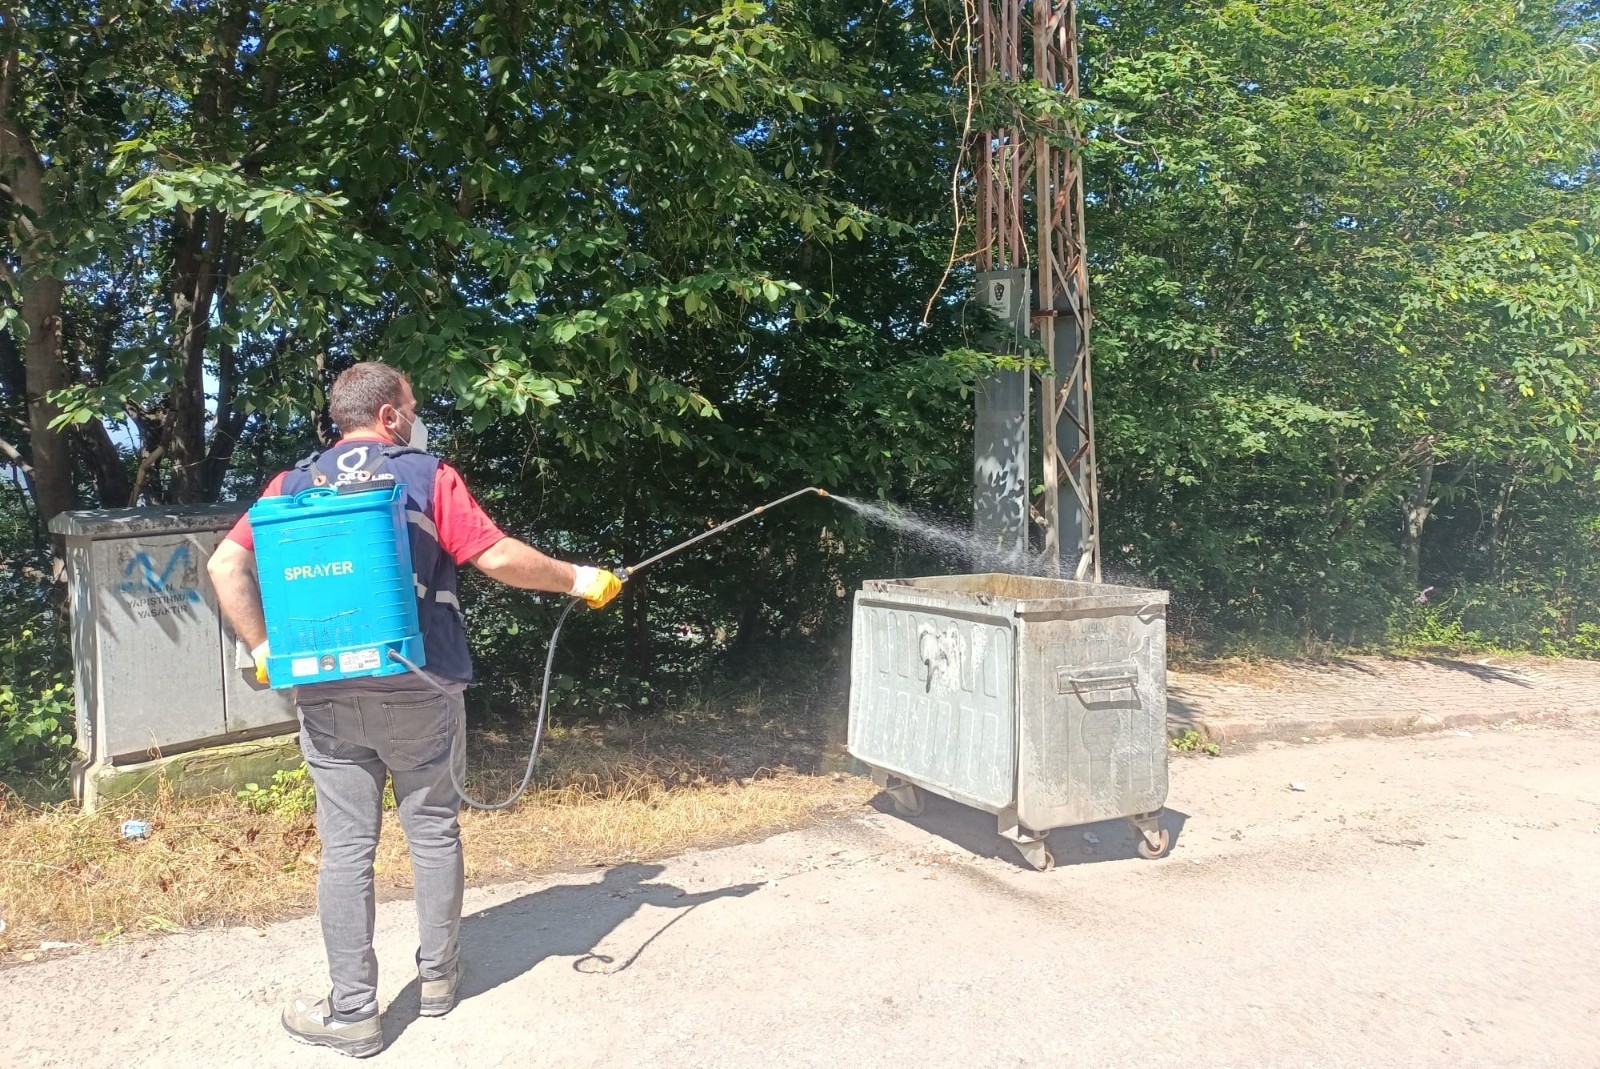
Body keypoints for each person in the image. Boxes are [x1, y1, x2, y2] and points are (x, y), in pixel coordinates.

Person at [209, 362, 621, 1058]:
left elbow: (225, 564)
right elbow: (493, 555)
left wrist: (262, 646)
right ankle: (437, 981)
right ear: (392, 415)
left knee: (346, 850)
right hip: (421, 686)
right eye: (414, 406)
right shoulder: (425, 474)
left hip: (327, 693)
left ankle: (353, 1012)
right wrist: (581, 579)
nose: (418, 417)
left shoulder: (292, 483)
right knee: (431, 832)